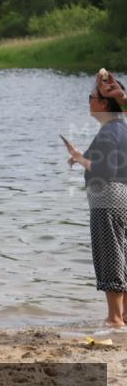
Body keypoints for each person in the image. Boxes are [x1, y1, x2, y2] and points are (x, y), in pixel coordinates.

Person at [64, 73, 127, 326]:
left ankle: (114, 318)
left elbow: (103, 171)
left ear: (103, 104)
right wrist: (81, 155)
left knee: (109, 253)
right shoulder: (121, 127)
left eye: (92, 97)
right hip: (124, 196)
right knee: (123, 252)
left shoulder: (109, 131)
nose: (89, 101)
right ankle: (123, 315)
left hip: (107, 199)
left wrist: (80, 160)